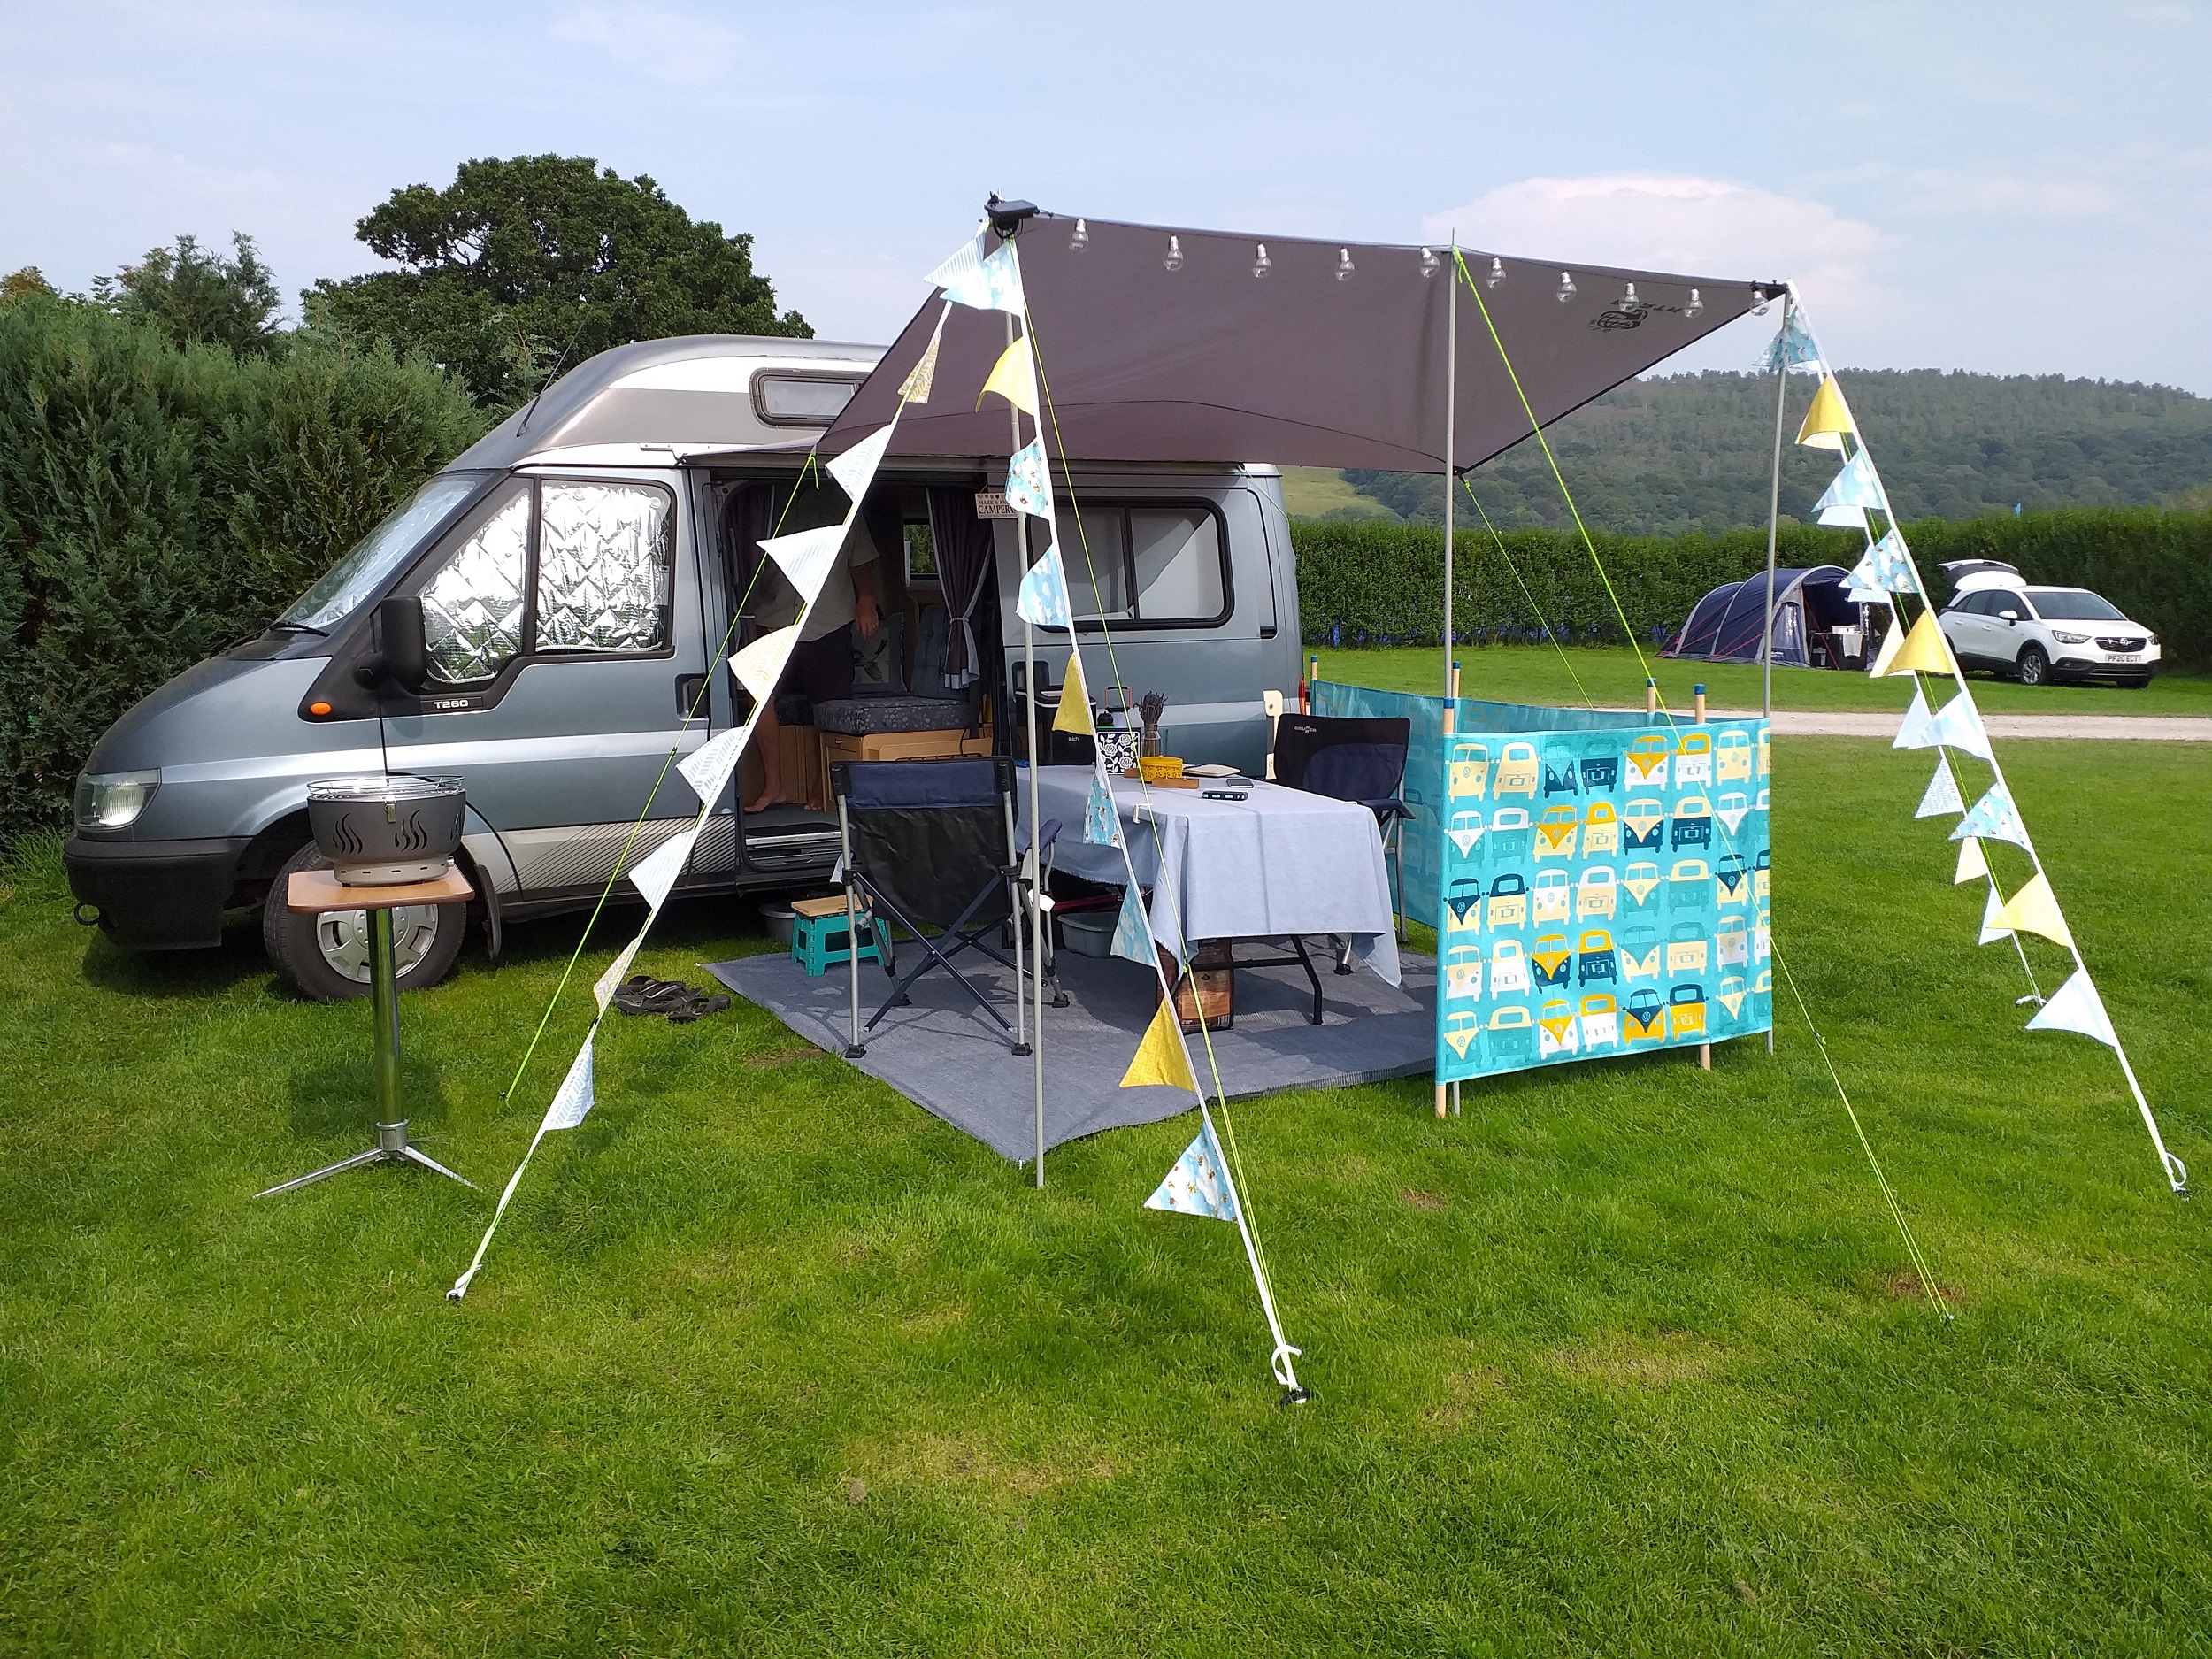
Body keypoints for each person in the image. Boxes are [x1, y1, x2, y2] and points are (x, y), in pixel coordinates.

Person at [741, 506, 881, 812]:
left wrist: (867, 598)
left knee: (831, 706)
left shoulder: (844, 501)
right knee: (759, 698)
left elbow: (860, 558)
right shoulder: (768, 503)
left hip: (828, 620)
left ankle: (823, 788)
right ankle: (773, 787)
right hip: (774, 617)